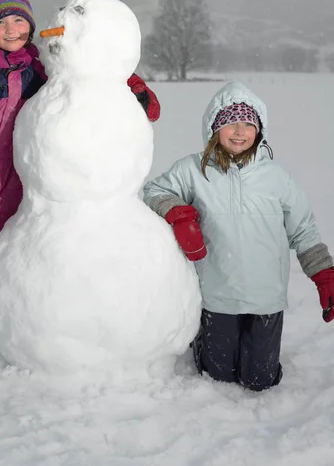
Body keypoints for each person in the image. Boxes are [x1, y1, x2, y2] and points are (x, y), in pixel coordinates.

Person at [0, 0, 161, 370]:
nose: (12, 30)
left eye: (20, 20)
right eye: (2, 22)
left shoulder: (37, 70)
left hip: (7, 195)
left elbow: (83, 67)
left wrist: (130, 85)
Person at [143, 81, 334, 391]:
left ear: (259, 130)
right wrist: (178, 213)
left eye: (248, 123)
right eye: (230, 122)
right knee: (218, 377)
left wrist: (324, 274)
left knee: (260, 380)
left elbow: (304, 229)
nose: (240, 131)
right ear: (214, 127)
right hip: (217, 293)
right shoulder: (193, 170)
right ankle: (201, 342)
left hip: (265, 297)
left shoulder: (275, 177)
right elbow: (154, 191)